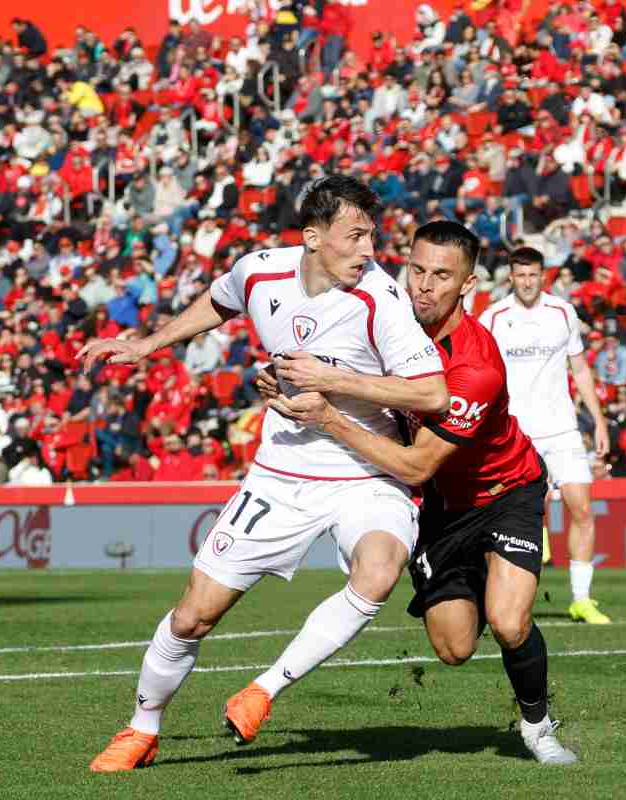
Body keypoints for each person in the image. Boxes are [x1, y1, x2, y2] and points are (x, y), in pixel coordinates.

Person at [82, 176, 449, 772]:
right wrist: (149, 345)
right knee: (194, 614)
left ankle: (264, 689)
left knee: (379, 572)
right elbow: (219, 300)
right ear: (312, 237)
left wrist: (333, 382)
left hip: (365, 469)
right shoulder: (259, 271)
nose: (369, 250)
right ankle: (141, 729)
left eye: (372, 237)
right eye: (355, 236)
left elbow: (432, 392)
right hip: (281, 473)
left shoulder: (381, 299)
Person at [267, 221, 577, 764]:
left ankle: (538, 724)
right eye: (416, 270)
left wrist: (329, 417)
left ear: (468, 285)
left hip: (506, 490)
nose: (424, 286)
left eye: (441, 275)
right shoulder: (388, 326)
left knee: (507, 621)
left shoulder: (475, 366)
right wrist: (285, 382)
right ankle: (487, 578)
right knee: (454, 648)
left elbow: (414, 464)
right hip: (441, 510)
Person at [479, 247, 612, 624]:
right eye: (520, 275)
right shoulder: (494, 318)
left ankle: (581, 600)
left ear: (544, 276)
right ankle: (500, 599)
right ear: (510, 277)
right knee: (506, 516)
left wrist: (598, 422)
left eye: (533, 275)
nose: (526, 282)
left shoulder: (562, 312)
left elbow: (581, 370)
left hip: (562, 428)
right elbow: (484, 375)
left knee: (582, 510)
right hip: (516, 430)